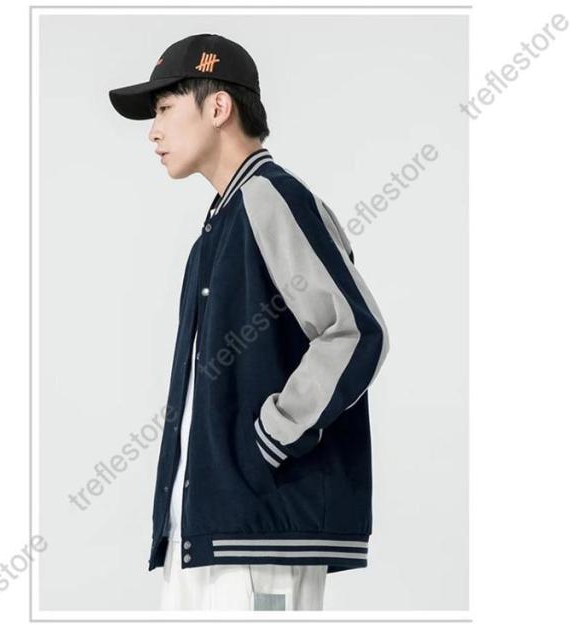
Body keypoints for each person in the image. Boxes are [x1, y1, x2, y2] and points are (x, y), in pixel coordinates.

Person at [109, 33, 390, 611]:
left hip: (260, 538)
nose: (153, 131)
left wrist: (274, 436)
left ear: (218, 107)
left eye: (165, 108)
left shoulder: (269, 198)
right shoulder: (220, 223)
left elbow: (355, 331)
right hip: (207, 534)